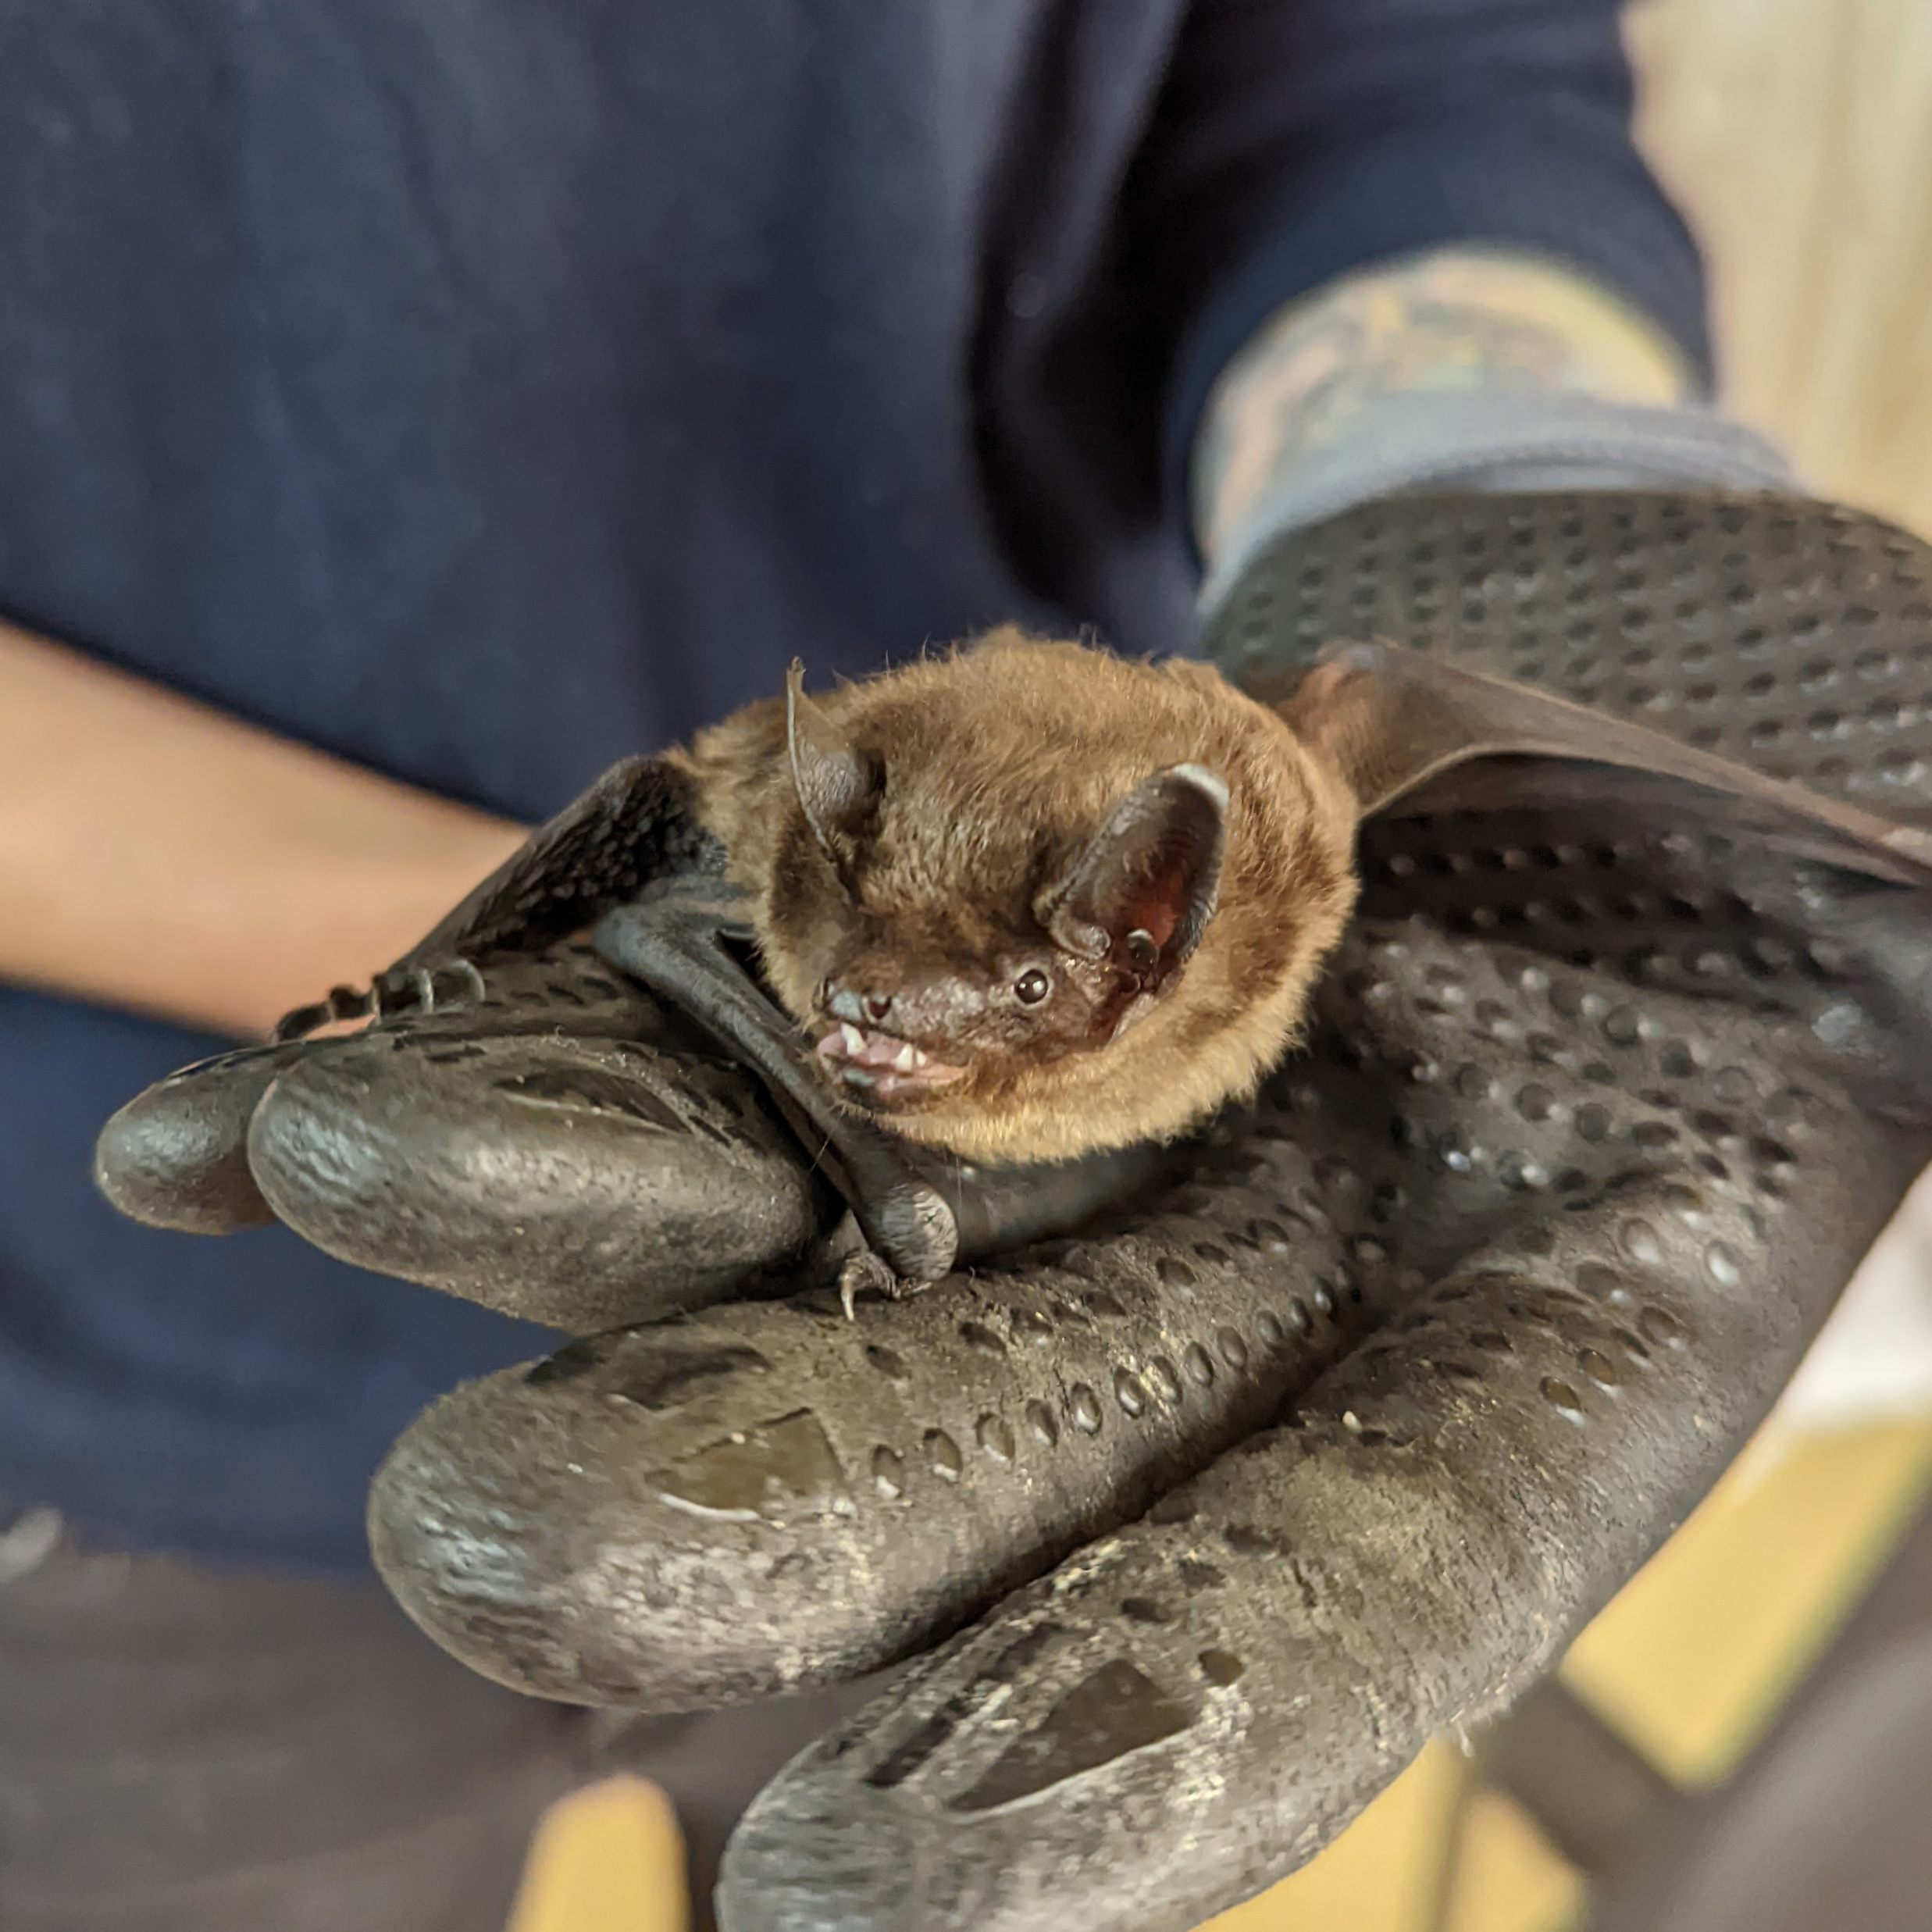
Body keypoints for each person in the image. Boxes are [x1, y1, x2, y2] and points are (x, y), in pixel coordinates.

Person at [0, 2, 1806, 1926]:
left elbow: (1407, 79)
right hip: (124, 1399)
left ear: (1146, 947)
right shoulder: (771, 872)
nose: (885, 1013)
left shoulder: (1275, 866)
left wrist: (1491, 497)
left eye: (1021, 991)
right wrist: (634, 981)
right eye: (862, 981)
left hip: (1008, 1408)